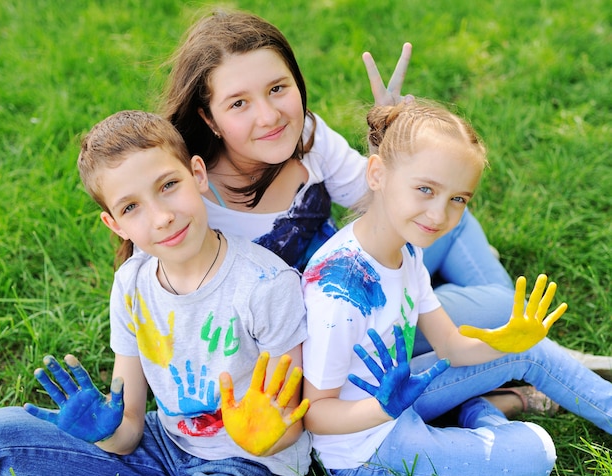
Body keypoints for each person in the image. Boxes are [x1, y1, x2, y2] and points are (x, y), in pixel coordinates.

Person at [158, 9, 612, 393]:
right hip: (340, 328)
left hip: (368, 265)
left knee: (446, 211)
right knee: (494, 303)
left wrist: (391, 143)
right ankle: (534, 355)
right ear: (209, 117)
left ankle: (505, 346)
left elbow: (376, 199)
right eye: (238, 103)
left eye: (278, 88)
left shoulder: (307, 134)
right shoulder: (193, 204)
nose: (269, 115)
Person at [0, 110, 311, 476]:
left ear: (198, 174)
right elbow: (129, 431)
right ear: (115, 224)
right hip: (165, 447)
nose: (161, 217)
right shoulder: (131, 284)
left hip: (250, 465)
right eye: (130, 207)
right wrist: (103, 434)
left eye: (168, 185)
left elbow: (292, 425)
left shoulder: (266, 286)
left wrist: (262, 435)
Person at [300, 99, 612, 476]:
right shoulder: (342, 287)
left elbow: (449, 345)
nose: (438, 214)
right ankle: (482, 410)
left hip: (405, 392)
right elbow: (314, 414)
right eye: (425, 189)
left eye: (458, 199)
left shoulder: (407, 249)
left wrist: (503, 343)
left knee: (529, 350)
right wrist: (382, 408)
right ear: (376, 174)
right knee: (536, 454)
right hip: (368, 450)